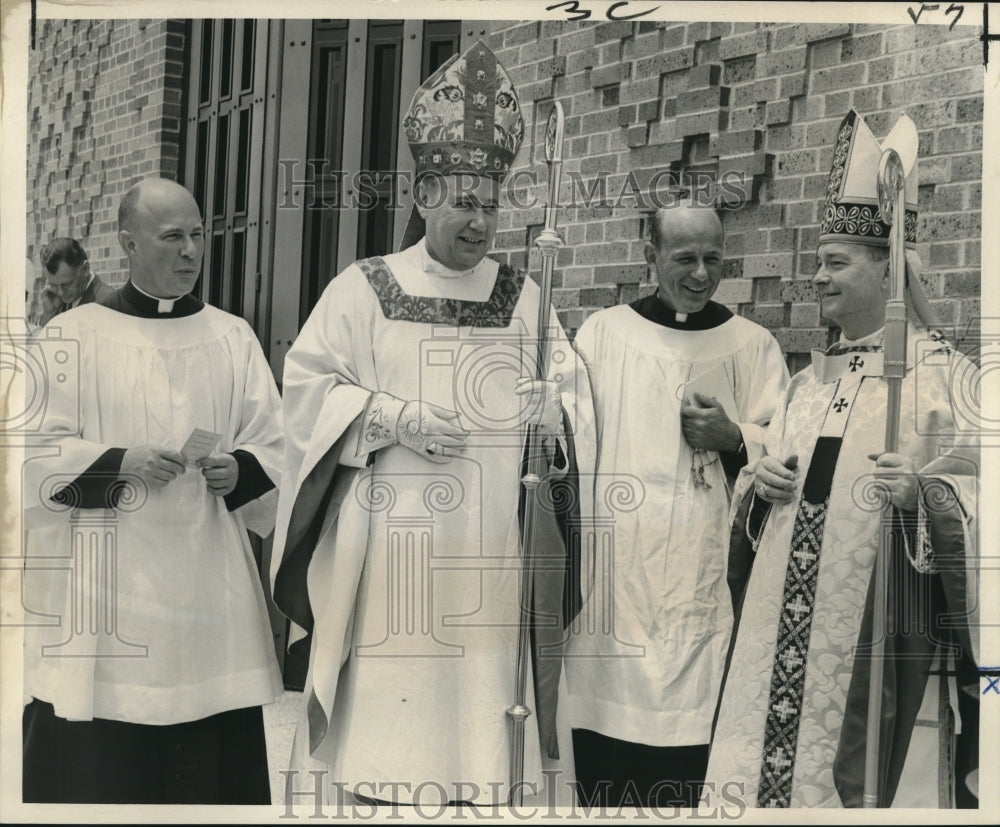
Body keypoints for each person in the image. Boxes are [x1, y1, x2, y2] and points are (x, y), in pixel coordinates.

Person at [270, 41, 595, 808]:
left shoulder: (526, 300)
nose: (480, 220)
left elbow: (576, 403)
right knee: (392, 747)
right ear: (422, 194)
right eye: (462, 202)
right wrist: (389, 415)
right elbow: (306, 395)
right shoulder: (364, 289)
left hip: (491, 558)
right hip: (393, 559)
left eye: (490, 203)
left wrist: (559, 417)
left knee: (483, 754)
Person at [706, 110, 979, 808]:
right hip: (769, 654)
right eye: (817, 263)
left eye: (835, 263)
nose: (817, 280)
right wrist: (756, 487)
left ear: (889, 268)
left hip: (878, 652)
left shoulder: (947, 378)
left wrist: (924, 495)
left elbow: (985, 502)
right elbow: (757, 496)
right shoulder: (806, 382)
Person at [21, 178, 284, 804]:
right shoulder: (71, 336)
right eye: (173, 237)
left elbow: (278, 443)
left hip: (205, 593)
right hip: (105, 593)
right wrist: (119, 462)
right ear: (127, 243)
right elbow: (30, 455)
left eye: (198, 235)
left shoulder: (233, 336)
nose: (190, 251)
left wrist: (240, 469)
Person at [563, 201, 789, 808]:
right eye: (684, 257)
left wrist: (735, 437)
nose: (699, 273)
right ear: (650, 256)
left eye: (713, 258)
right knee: (608, 754)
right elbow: (566, 441)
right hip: (616, 579)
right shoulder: (604, 335)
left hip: (703, 576)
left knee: (692, 759)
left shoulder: (752, 344)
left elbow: (788, 449)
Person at [37, 236, 115, 325]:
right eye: (53, 285)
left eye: (67, 284)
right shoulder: (56, 303)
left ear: (85, 269)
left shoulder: (109, 305)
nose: (61, 293)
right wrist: (49, 314)